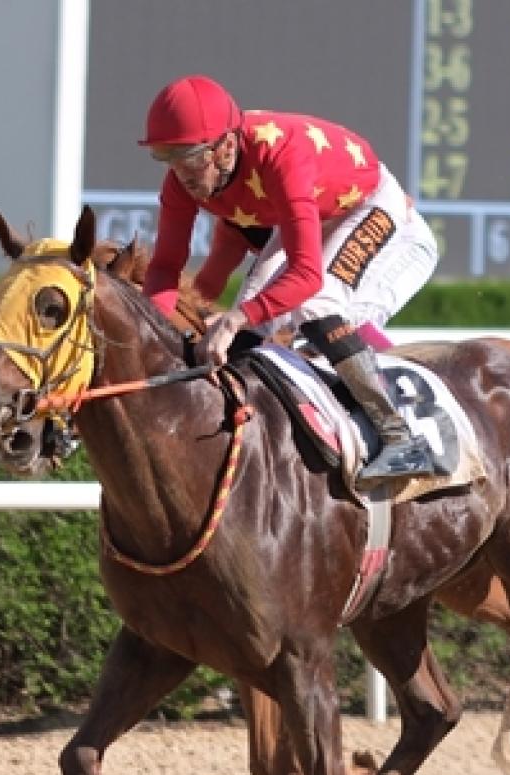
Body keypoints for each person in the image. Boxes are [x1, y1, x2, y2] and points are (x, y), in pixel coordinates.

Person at [138, 74, 438, 488]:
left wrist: (230, 320)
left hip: (372, 206)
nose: (179, 173)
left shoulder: (279, 155)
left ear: (226, 147)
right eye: (166, 157)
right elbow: (165, 267)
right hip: (318, 212)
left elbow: (307, 276)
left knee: (317, 304)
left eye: (189, 156)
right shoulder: (186, 180)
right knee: (254, 326)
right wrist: (148, 337)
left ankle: (399, 434)